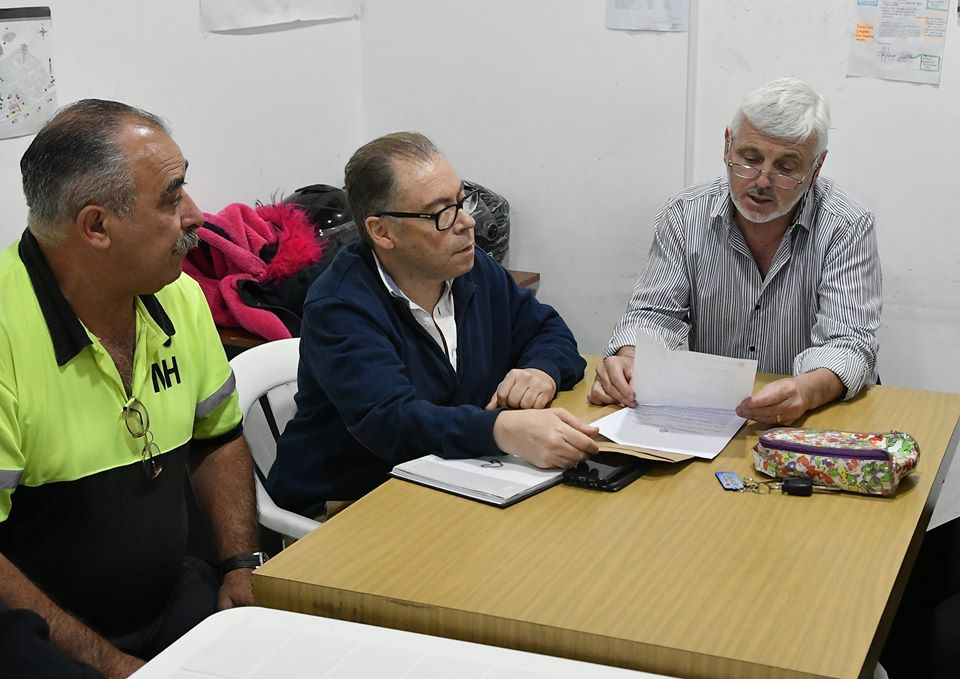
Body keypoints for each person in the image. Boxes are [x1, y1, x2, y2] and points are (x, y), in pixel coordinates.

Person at [0, 100, 262, 678]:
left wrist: (242, 562)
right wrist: (113, 665)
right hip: (35, 633)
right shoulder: (6, 332)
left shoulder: (178, 295)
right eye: (171, 196)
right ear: (96, 227)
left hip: (168, 597)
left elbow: (218, 438)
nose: (195, 214)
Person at [267, 132, 598, 518]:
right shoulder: (340, 305)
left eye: (461, 201)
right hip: (352, 499)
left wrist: (541, 370)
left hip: (452, 476)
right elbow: (392, 423)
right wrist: (503, 429)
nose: (467, 222)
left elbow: (548, 330)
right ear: (382, 231)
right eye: (442, 213)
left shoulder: (470, 269)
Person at [591, 77, 881, 424]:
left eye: (786, 167)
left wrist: (805, 391)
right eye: (750, 158)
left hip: (809, 417)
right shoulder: (685, 213)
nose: (762, 180)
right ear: (728, 146)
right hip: (710, 413)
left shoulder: (846, 225)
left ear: (816, 168)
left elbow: (849, 341)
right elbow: (653, 316)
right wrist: (631, 360)